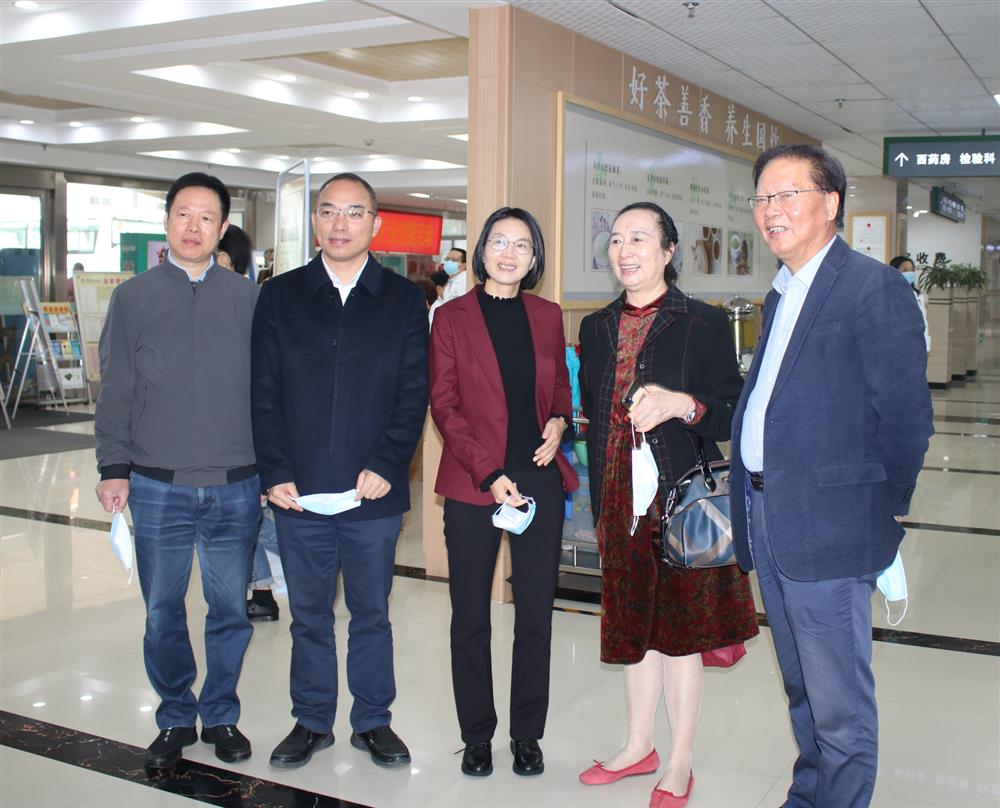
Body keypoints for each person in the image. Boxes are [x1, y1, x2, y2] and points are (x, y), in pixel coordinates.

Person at [730, 145, 933, 808]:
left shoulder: (872, 288)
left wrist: (886, 508)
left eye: (787, 194)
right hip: (770, 515)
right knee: (801, 686)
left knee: (838, 702)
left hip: (832, 526)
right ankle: (809, 794)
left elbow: (907, 416)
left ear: (831, 203)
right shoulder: (782, 290)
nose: (771, 209)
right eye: (763, 197)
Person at [577, 201, 758, 808]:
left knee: (681, 632)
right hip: (618, 500)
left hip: (682, 501)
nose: (625, 250)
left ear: (668, 251)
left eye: (639, 238)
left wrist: (684, 405)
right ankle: (638, 746)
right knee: (633, 626)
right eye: (616, 239)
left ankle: (679, 759)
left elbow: (731, 413)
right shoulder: (596, 327)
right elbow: (594, 414)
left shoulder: (702, 322)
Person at [252, 172, 428, 770]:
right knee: (308, 616)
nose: (340, 224)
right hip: (297, 492)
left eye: (354, 213)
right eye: (328, 211)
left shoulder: (403, 300)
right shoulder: (281, 296)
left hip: (371, 494)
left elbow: (413, 393)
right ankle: (311, 720)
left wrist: (387, 463)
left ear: (375, 223)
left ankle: (373, 720)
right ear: (314, 221)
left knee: (372, 614)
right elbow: (263, 391)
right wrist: (274, 470)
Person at [94, 172, 260, 770]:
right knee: (162, 610)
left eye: (207, 217)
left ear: (223, 228)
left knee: (230, 610)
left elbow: (269, 392)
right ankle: (174, 715)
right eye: (184, 214)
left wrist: (273, 471)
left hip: (236, 483)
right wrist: (113, 466)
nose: (194, 227)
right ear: (167, 221)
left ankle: (220, 714)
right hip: (156, 484)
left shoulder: (247, 298)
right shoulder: (133, 297)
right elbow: (116, 387)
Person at [429, 207, 578, 778]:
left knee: (535, 614)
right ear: (481, 250)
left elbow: (560, 388)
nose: (509, 254)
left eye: (521, 245)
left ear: (534, 256)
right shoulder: (451, 318)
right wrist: (490, 473)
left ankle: (526, 734)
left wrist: (560, 423)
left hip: (538, 479)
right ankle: (476, 735)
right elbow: (444, 405)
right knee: (470, 615)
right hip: (476, 483)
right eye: (499, 242)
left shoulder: (546, 315)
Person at [890, 255, 931, 351]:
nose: (910, 273)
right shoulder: (887, 294)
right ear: (894, 272)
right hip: (895, 345)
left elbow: (924, 323)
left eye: (912, 270)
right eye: (905, 270)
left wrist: (926, 346)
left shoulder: (917, 295)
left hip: (915, 344)